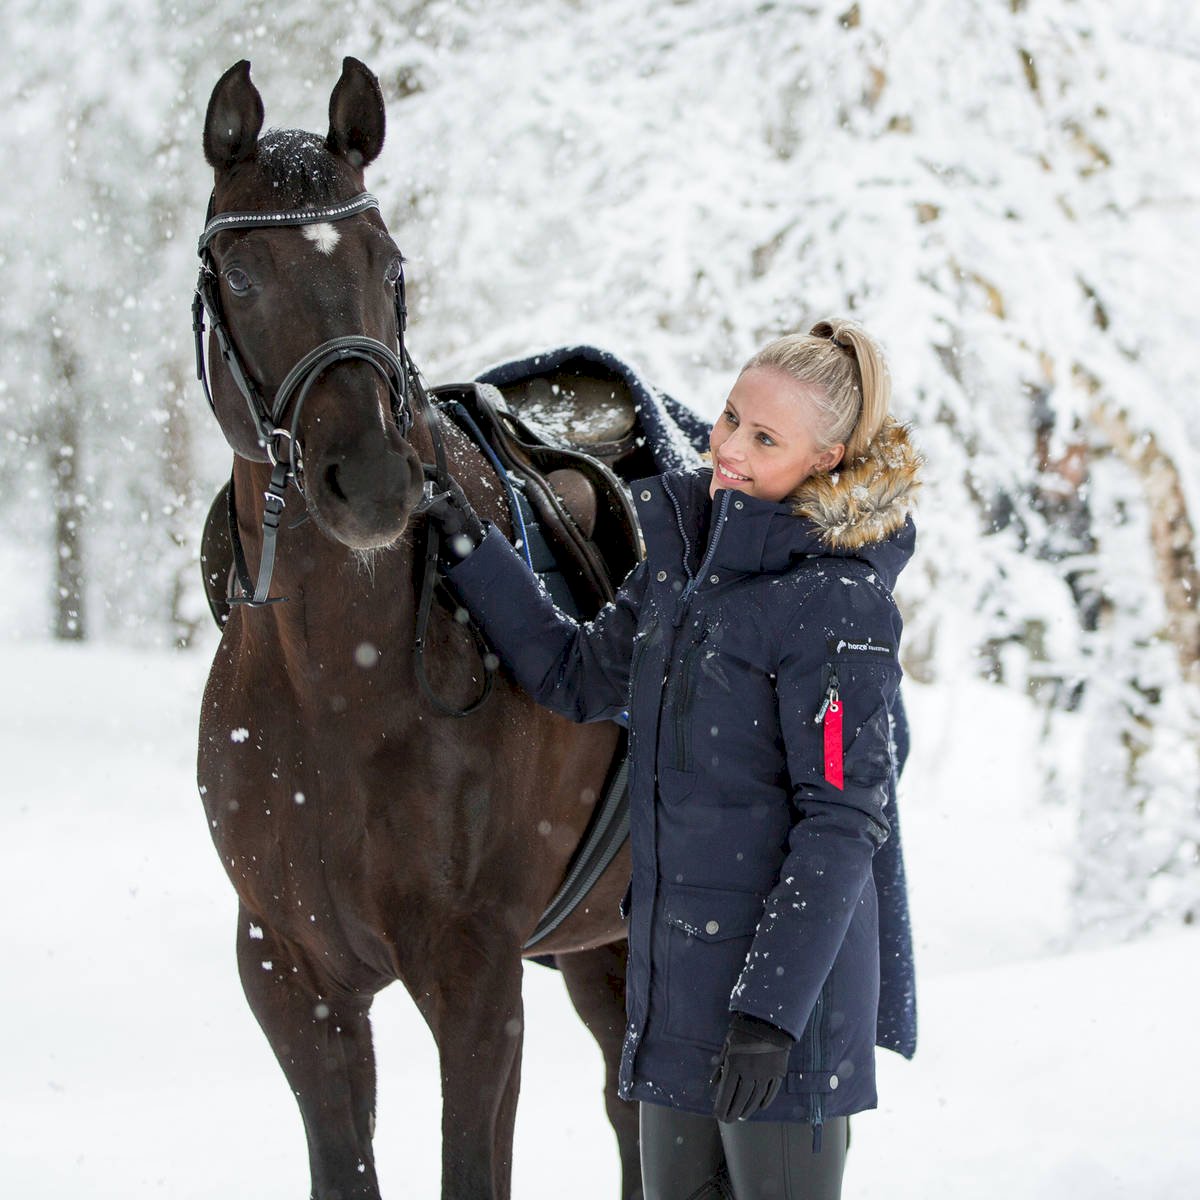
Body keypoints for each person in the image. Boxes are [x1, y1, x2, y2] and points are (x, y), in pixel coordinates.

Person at [423, 319, 922, 1200]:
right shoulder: (685, 571)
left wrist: (770, 1016)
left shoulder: (838, 606)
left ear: (828, 457)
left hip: (781, 1015)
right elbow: (575, 675)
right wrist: (465, 538)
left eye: (764, 438)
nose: (727, 447)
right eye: (730, 417)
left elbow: (842, 824)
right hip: (675, 1005)